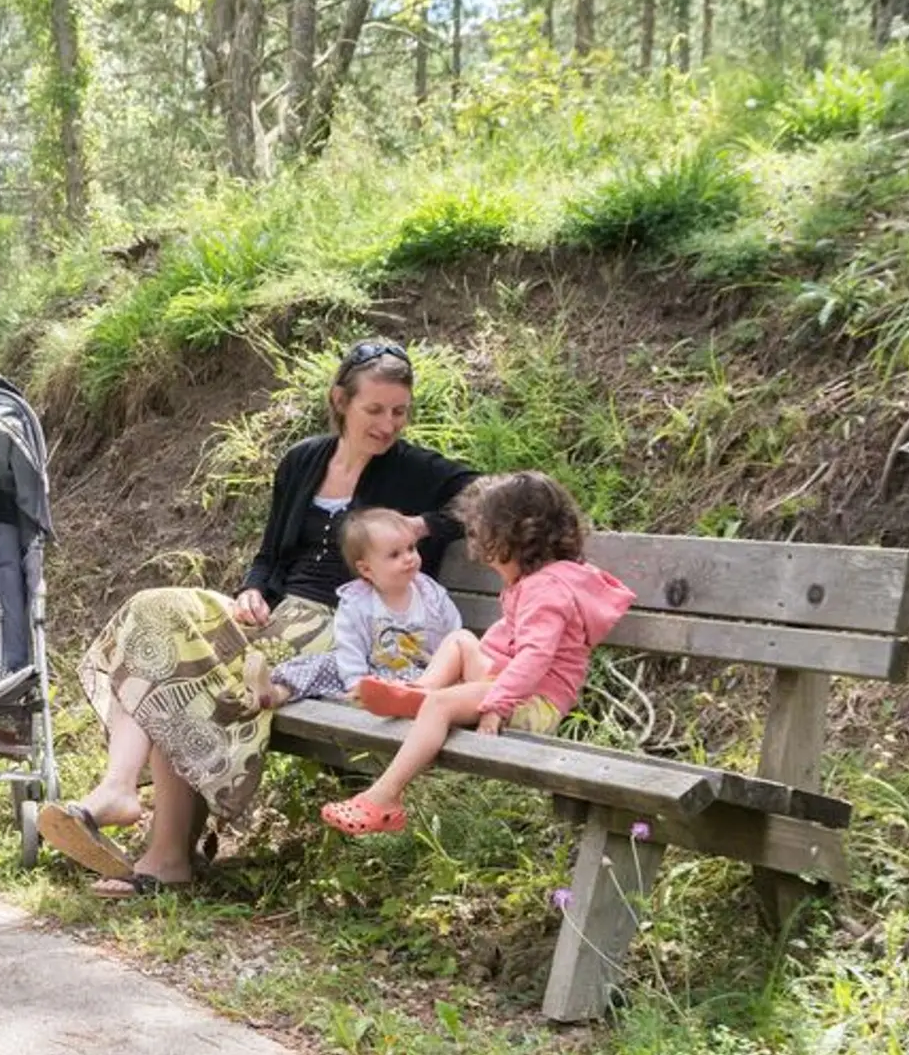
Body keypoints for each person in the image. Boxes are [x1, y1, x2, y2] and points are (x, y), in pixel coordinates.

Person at [36, 341, 478, 898]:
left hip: (343, 624)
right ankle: (120, 788)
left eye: (399, 411)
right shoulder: (302, 461)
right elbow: (271, 556)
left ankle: (165, 855)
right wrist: (251, 589)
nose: (388, 425)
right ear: (340, 401)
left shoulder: (417, 470)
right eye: (374, 410)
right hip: (275, 614)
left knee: (194, 669)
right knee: (153, 611)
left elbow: (487, 497)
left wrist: (422, 525)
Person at [319, 471, 636, 836]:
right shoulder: (542, 581)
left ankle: (384, 798)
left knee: (440, 707)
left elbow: (534, 658)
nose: (487, 562)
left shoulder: (546, 592)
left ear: (514, 542)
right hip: (512, 684)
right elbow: (508, 645)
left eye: (490, 552)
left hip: (533, 702)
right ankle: (419, 690)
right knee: (460, 639)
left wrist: (497, 705)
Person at [243, 507, 461, 709]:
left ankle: (399, 700)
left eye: (411, 548)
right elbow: (350, 647)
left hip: (421, 676)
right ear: (366, 569)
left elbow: (454, 637)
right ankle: (276, 692)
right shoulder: (357, 602)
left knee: (435, 682)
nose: (409, 558)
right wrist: (357, 683)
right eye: (395, 555)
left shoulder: (431, 595)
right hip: (371, 675)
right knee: (322, 662)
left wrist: (448, 672)